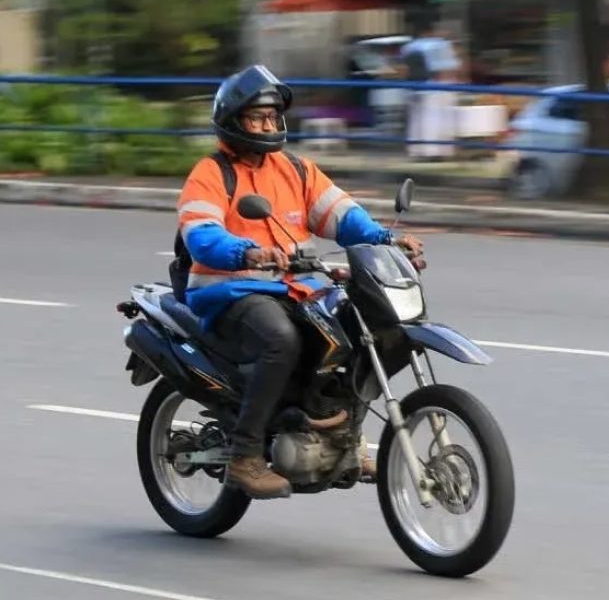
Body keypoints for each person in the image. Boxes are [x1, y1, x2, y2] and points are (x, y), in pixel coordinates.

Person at [177, 65, 424, 500]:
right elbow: (201, 234)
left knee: (359, 331)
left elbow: (341, 215)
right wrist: (247, 252)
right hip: (229, 290)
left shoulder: (295, 169)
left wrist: (386, 239)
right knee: (281, 339)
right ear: (233, 121)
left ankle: (342, 437)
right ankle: (245, 456)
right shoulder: (211, 173)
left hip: (294, 288)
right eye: (258, 117)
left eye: (273, 116)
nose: (268, 125)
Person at [399, 22, 461, 160]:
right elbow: (447, 69)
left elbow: (403, 69)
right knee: (436, 119)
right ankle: (435, 151)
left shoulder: (408, 47)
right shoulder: (440, 45)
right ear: (430, 31)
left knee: (416, 119)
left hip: (413, 87)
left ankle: (416, 150)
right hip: (436, 86)